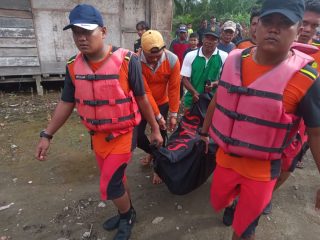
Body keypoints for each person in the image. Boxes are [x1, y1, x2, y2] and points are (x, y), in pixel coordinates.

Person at [34, 4, 163, 240]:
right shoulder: (73, 65)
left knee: (111, 184)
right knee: (118, 180)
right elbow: (66, 102)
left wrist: (155, 128)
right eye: (76, 33)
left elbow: (143, 99)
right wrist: (46, 134)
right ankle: (128, 211)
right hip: (97, 136)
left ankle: (127, 217)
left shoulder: (127, 60)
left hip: (124, 134)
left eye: (87, 32)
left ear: (103, 31)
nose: (81, 38)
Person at [200, 0, 320, 239]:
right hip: (225, 159)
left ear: (299, 31)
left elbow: (316, 133)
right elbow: (218, 99)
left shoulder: (307, 78)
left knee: (244, 229)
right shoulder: (234, 59)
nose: (274, 29)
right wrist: (204, 133)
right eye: (268, 22)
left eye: (284, 24)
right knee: (219, 199)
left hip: (262, 170)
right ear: (255, 27)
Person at [138, 30, 180, 184]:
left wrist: (173, 114)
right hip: (141, 103)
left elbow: (174, 88)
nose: (155, 59)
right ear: (142, 50)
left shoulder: (173, 59)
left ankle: (158, 168)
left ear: (164, 48)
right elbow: (145, 92)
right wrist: (158, 117)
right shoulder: (135, 61)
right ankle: (155, 153)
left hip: (163, 102)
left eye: (158, 55)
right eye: (150, 56)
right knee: (137, 135)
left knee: (160, 137)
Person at [181, 30, 228, 110]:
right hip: (193, 100)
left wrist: (214, 83)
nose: (209, 41)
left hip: (213, 101)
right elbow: (185, 78)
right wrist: (194, 93)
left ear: (218, 42)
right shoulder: (190, 55)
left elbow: (226, 80)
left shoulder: (224, 56)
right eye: (207, 38)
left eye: (213, 39)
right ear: (202, 39)